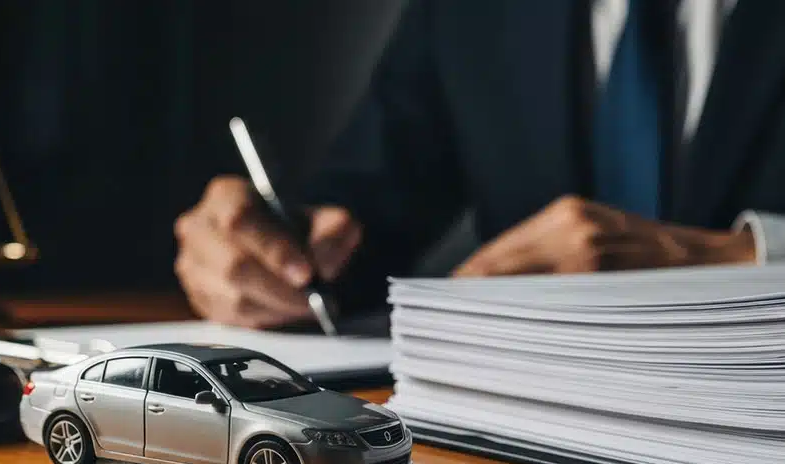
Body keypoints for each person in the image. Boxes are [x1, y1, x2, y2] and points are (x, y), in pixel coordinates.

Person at [174, 0, 785, 329]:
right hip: (524, 438)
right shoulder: (472, 12)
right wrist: (269, 254)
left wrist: (747, 260)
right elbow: (366, 213)